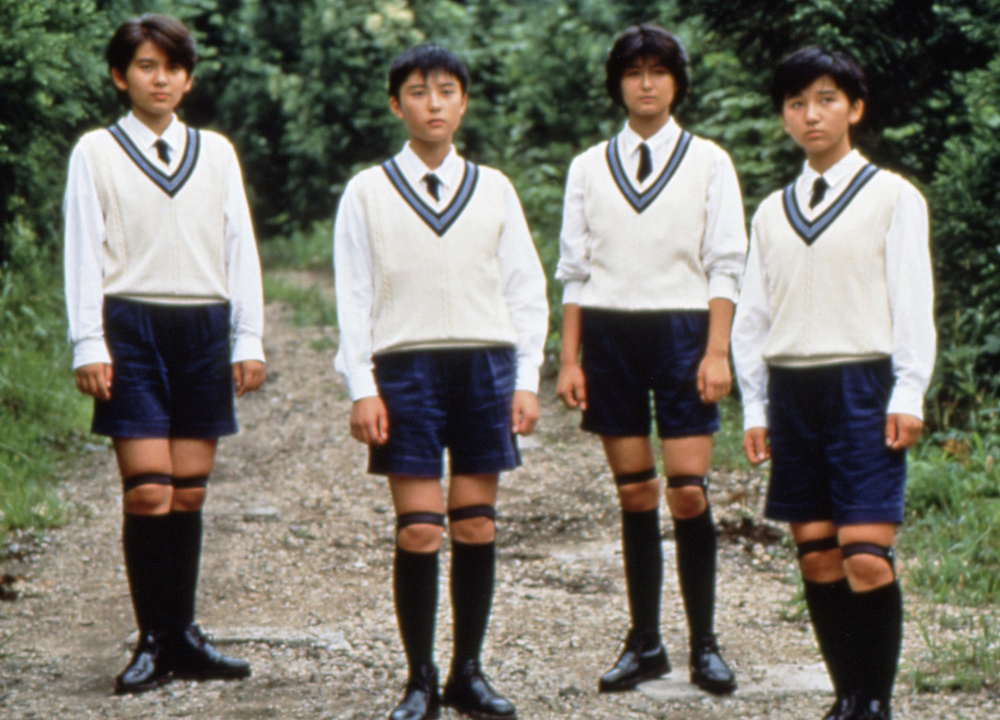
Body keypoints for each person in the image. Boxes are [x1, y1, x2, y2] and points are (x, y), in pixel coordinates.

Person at [333, 44, 548, 720]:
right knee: (420, 530)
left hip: (484, 365)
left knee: (477, 525)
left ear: (464, 101)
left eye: (447, 91)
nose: (433, 104)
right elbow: (354, 295)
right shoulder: (368, 190)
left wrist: (526, 378)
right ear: (396, 103)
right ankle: (419, 679)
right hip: (406, 369)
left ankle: (468, 673)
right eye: (419, 92)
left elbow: (526, 290)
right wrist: (361, 386)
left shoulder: (495, 188)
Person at [63, 14, 266, 695]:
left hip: (202, 327)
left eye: (173, 67)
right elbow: (83, 253)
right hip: (131, 329)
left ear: (188, 76)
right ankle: (150, 639)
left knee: (187, 490)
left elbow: (241, 248)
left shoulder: (216, 153)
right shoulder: (96, 151)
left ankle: (185, 635)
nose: (161, 78)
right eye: (147, 66)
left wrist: (249, 337)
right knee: (148, 489)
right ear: (122, 76)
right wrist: (88, 340)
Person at [731, 47, 935, 720]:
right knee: (816, 553)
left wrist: (909, 390)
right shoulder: (771, 211)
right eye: (795, 103)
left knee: (865, 554)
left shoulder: (892, 197)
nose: (810, 114)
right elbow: (754, 317)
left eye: (824, 99)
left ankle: (875, 703)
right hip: (793, 394)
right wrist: (755, 405)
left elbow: (912, 302)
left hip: (864, 389)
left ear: (855, 107)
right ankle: (846, 698)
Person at [555, 23, 745, 697]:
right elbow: (574, 271)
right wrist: (569, 358)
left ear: (676, 82)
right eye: (634, 71)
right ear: (617, 83)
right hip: (609, 336)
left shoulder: (709, 161)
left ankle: (706, 645)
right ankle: (645, 642)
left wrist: (717, 350)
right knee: (635, 489)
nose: (645, 83)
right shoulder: (587, 166)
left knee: (688, 489)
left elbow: (726, 264)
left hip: (684, 333)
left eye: (658, 71)